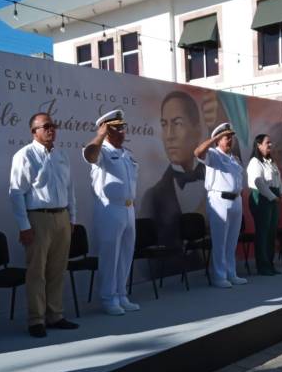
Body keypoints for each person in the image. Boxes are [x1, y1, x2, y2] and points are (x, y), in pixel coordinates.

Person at [9, 112, 79, 338]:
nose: (51, 130)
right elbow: (16, 192)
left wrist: (72, 217)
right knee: (36, 271)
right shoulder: (25, 155)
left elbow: (70, 189)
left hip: (61, 217)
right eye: (45, 126)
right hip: (38, 218)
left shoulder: (61, 155)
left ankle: (55, 315)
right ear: (34, 131)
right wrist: (24, 226)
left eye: (53, 125)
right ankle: (36, 319)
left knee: (58, 269)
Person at [83, 109, 140, 315]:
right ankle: (108, 298)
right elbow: (89, 156)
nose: (123, 132)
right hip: (109, 208)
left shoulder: (127, 154)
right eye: (117, 128)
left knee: (125, 254)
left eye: (123, 127)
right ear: (107, 131)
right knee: (110, 256)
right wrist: (99, 135)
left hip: (128, 208)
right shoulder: (101, 151)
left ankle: (121, 294)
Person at [141, 92, 205, 249]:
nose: (169, 136)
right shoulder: (153, 197)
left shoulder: (216, 178)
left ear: (197, 130)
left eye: (177, 124)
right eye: (164, 125)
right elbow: (148, 263)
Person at [194, 123, 247, 288]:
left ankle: (231, 273)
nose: (230, 140)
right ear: (217, 139)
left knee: (232, 242)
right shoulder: (212, 154)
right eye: (226, 137)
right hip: (219, 201)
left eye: (231, 137)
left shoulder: (234, 158)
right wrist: (213, 140)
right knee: (219, 241)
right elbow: (197, 152)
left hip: (236, 200)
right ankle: (219, 276)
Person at [247, 134, 282, 275]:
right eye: (267, 143)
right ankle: (262, 266)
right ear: (258, 145)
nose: (270, 145)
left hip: (273, 197)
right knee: (262, 233)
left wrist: (280, 193)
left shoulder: (270, 162)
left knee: (271, 232)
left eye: (270, 142)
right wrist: (272, 197)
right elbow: (259, 183)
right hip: (262, 198)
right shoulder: (255, 162)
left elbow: (278, 179)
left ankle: (270, 263)